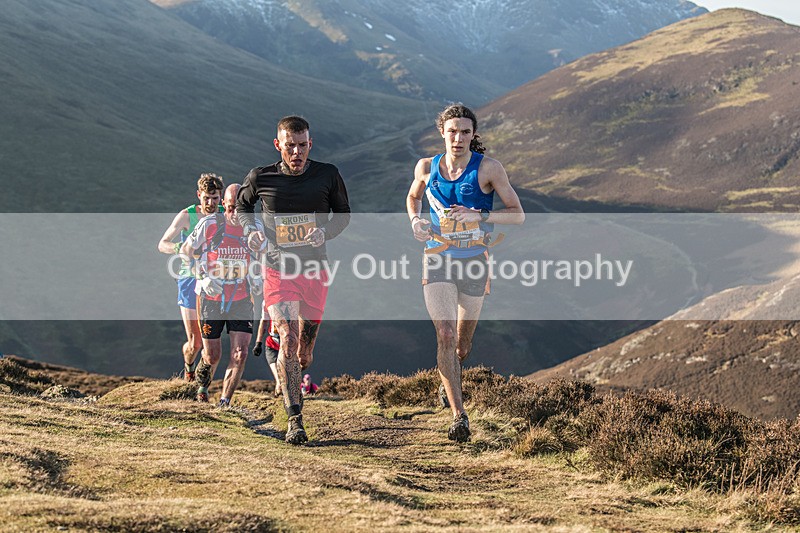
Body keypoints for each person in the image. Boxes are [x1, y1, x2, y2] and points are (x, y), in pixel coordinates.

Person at [406, 103, 524, 442]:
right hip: (437, 257)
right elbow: (413, 198)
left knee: (460, 344)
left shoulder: (488, 169)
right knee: (443, 334)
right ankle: (460, 416)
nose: (458, 138)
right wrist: (415, 220)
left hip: (474, 261)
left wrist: (479, 217)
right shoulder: (427, 167)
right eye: (452, 131)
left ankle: (452, 377)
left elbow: (517, 215)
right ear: (441, 132)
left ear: (474, 135)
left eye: (465, 132)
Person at [237, 115, 350, 445]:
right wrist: (251, 232)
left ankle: (295, 370)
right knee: (287, 337)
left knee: (303, 353)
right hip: (277, 269)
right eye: (290, 146)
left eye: (303, 146)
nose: (297, 152)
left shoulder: (327, 174)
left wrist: (324, 232)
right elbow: (244, 206)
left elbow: (343, 215)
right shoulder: (261, 177)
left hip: (315, 272)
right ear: (278, 146)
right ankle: (295, 420)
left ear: (310, 144)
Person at [181, 183, 265, 406]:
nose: (234, 214)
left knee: (240, 353)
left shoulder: (256, 226)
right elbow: (185, 252)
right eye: (228, 208)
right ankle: (201, 387)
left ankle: (224, 402)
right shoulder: (209, 224)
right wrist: (201, 276)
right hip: (211, 298)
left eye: (239, 209)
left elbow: (264, 255)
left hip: (242, 299)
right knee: (212, 356)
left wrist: (257, 275)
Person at [158, 173, 225, 381]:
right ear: (199, 195)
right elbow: (162, 244)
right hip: (190, 278)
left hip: (216, 279)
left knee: (210, 342)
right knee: (195, 342)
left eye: (215, 198)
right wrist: (181, 247)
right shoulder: (187, 216)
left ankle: (202, 388)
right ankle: (189, 367)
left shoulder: (225, 214)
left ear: (221, 197)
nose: (211, 203)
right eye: (206, 198)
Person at [253, 312, 283, 397]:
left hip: (288, 343)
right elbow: (264, 321)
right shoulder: (267, 302)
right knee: (278, 375)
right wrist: (258, 343)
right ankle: (279, 388)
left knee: (285, 371)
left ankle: (283, 392)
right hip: (272, 344)